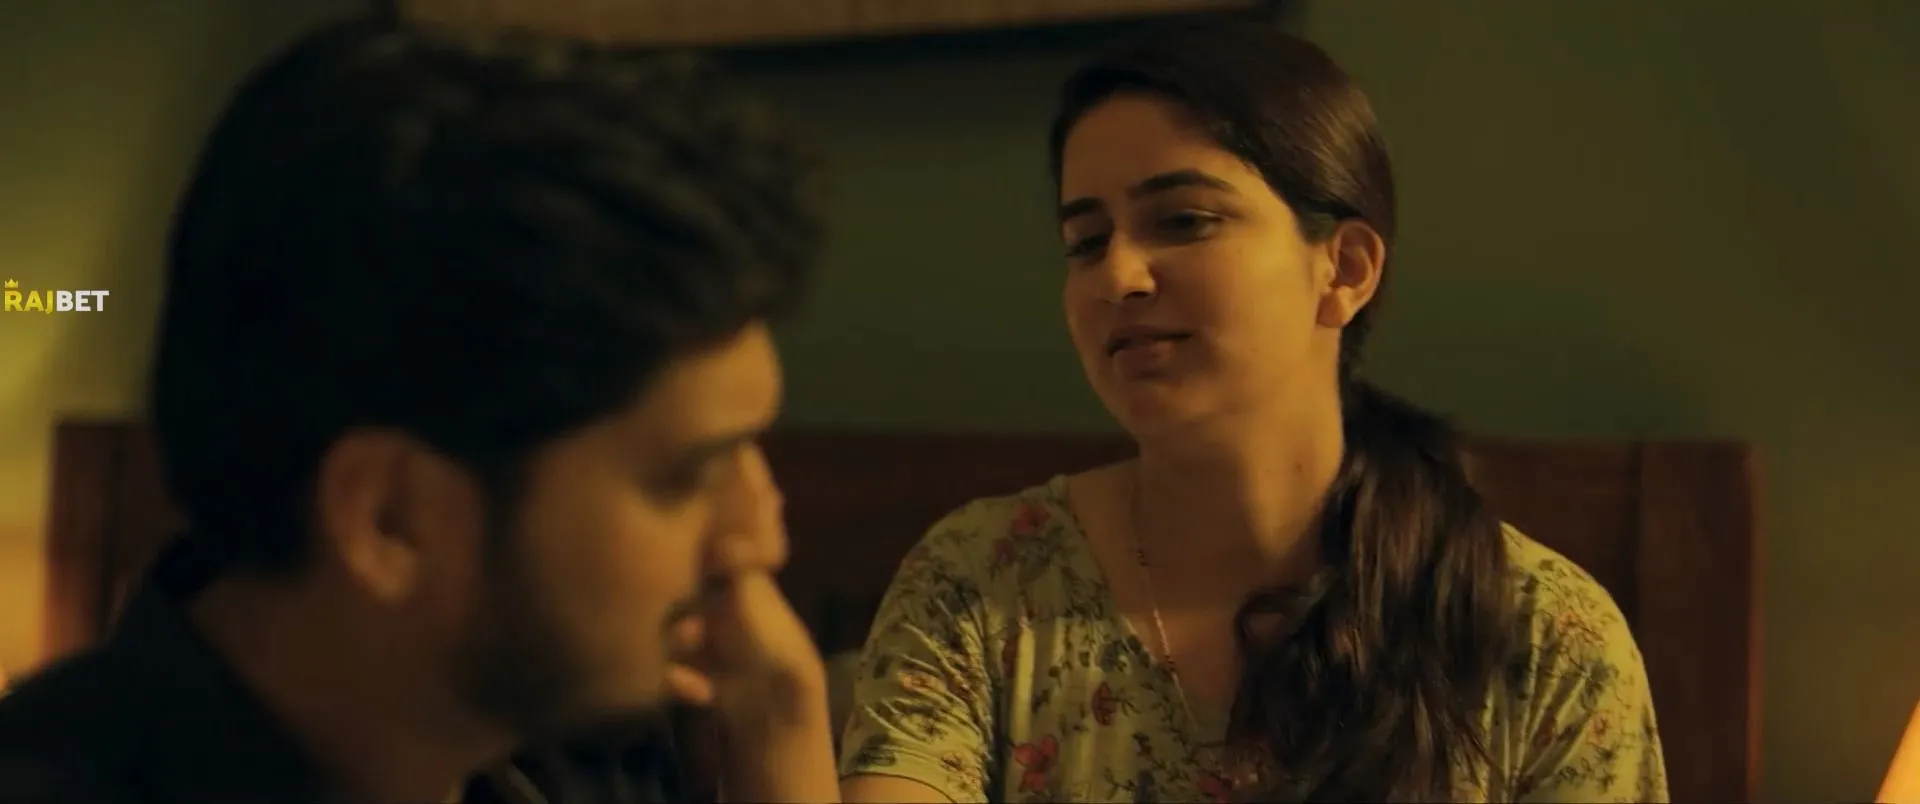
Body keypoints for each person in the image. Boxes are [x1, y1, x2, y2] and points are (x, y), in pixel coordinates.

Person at [0, 17, 839, 804]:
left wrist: (783, 735)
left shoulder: (578, 744)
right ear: (391, 518)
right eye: (688, 475)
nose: (760, 539)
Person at [837, 20, 1670, 804]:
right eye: (1087, 241)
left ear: (1344, 268)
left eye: (1183, 221)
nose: (1117, 276)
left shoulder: (1543, 640)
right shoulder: (981, 583)